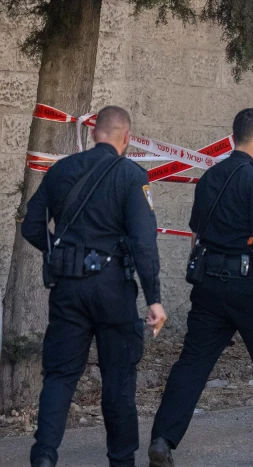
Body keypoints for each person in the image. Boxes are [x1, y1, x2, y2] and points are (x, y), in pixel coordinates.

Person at [149, 109, 253, 467]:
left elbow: (197, 232)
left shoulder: (210, 176)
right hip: (249, 287)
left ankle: (162, 439)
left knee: (193, 362)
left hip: (210, 285)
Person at [21, 106, 165, 467]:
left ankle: (43, 456)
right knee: (118, 377)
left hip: (68, 289)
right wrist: (155, 300)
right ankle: (121, 460)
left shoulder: (61, 170)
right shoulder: (132, 176)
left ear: (94, 132)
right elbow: (144, 243)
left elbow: (31, 226)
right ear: (126, 138)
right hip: (113, 289)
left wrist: (60, 254)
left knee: (60, 376)